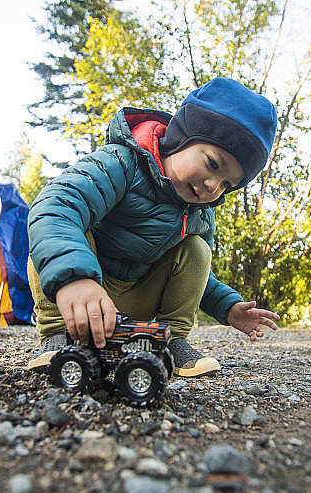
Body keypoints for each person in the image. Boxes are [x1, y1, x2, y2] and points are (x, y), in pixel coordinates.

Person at [26, 77, 280, 378]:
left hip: (139, 300)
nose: (214, 186)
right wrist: (75, 278)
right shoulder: (121, 163)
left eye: (227, 184)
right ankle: (57, 336)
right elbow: (56, 204)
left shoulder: (199, 213)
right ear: (182, 137)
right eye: (212, 164)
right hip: (85, 290)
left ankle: (171, 340)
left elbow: (198, 277)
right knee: (58, 234)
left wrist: (228, 308)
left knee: (196, 250)